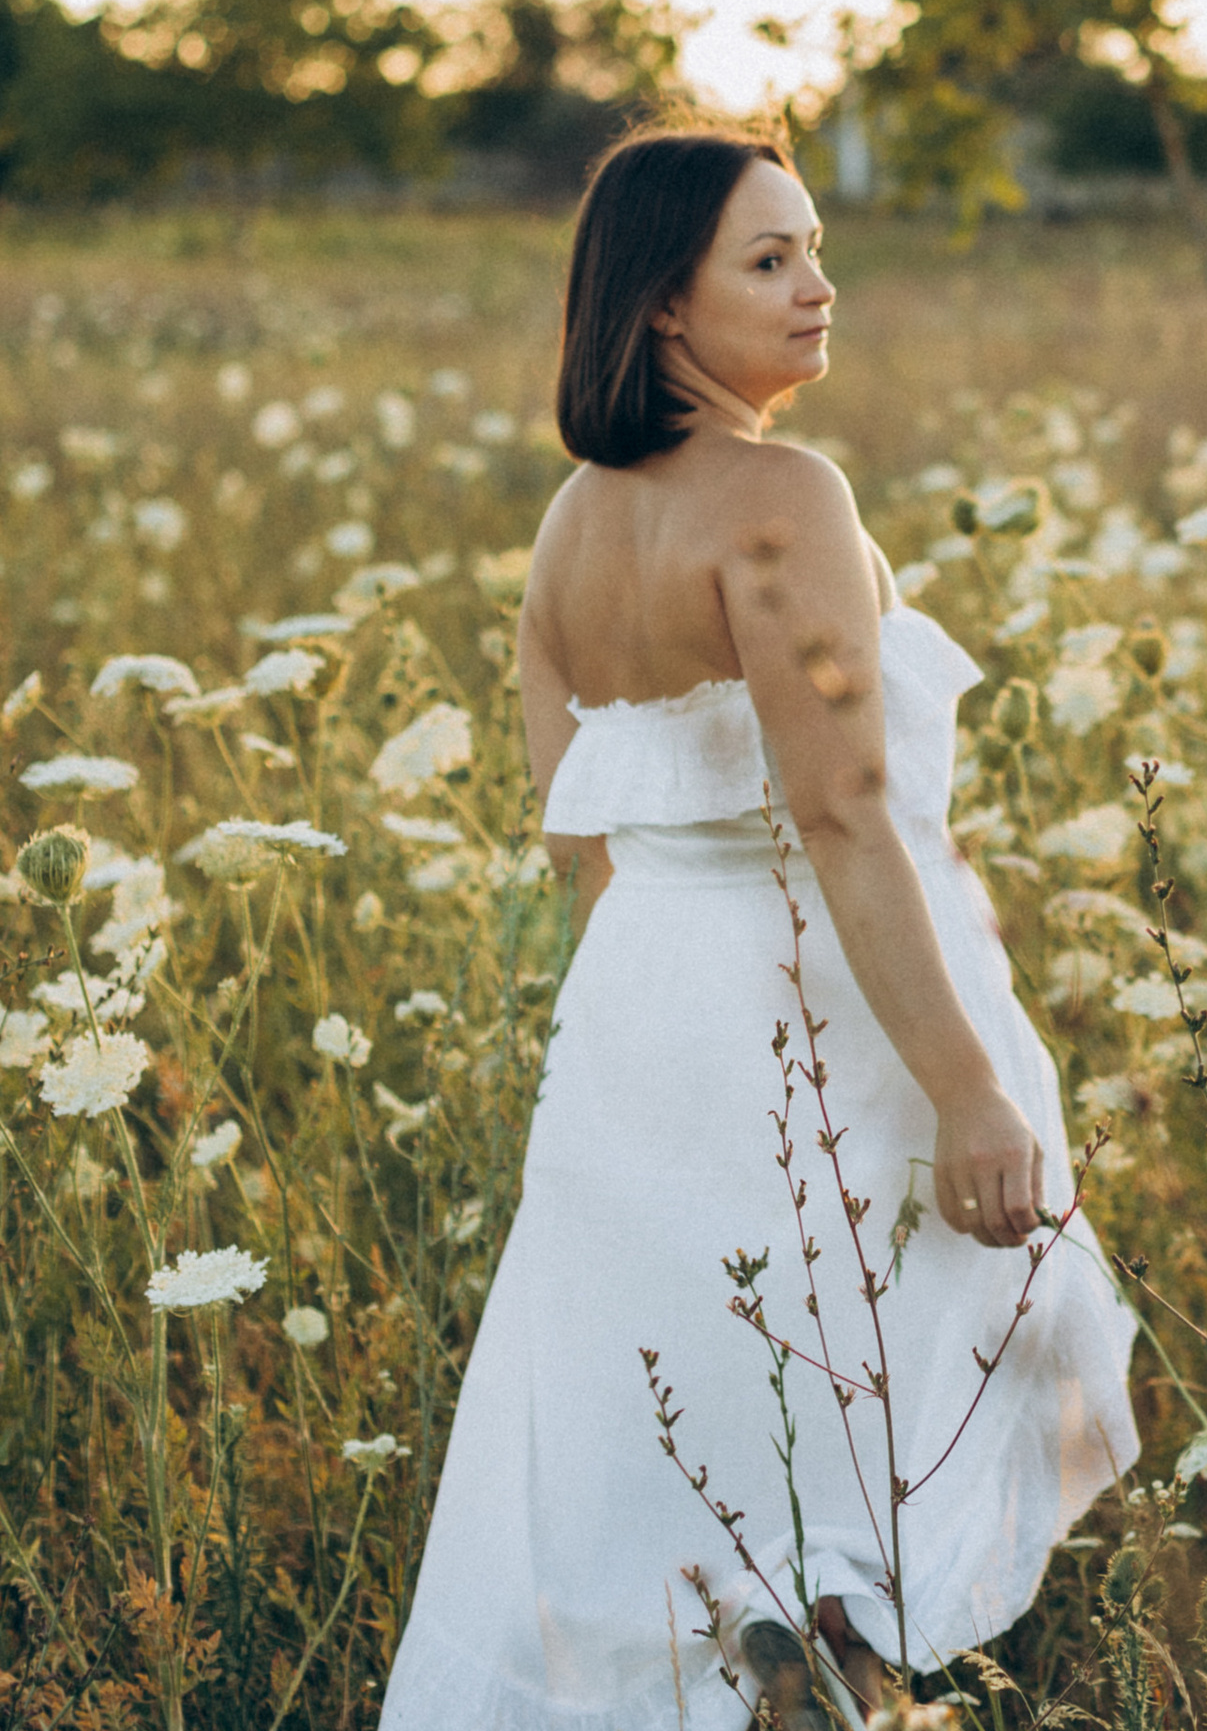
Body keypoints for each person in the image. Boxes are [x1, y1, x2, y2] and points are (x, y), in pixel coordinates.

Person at [380, 124, 1138, 1729]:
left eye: (814, 251)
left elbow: (579, 835)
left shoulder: (574, 521)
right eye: (771, 260)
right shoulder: (785, 492)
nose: (819, 288)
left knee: (679, 1472)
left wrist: (642, 1046)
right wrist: (969, 1090)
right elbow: (849, 815)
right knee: (852, 1459)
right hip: (815, 1029)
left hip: (634, 1031)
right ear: (665, 305)